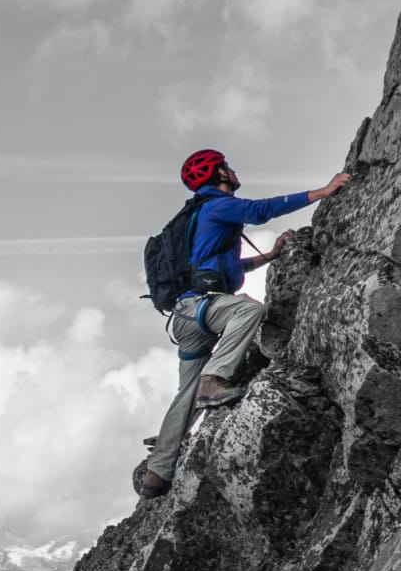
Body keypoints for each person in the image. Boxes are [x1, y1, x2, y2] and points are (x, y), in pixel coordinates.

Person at [137, 151, 351, 499]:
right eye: (227, 166)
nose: (234, 170)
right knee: (248, 311)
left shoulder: (201, 215)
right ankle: (215, 379)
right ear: (219, 173)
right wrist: (322, 192)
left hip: (188, 314)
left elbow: (223, 267)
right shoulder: (218, 205)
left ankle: (157, 474)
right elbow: (260, 210)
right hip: (206, 307)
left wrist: (270, 256)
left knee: (185, 394)